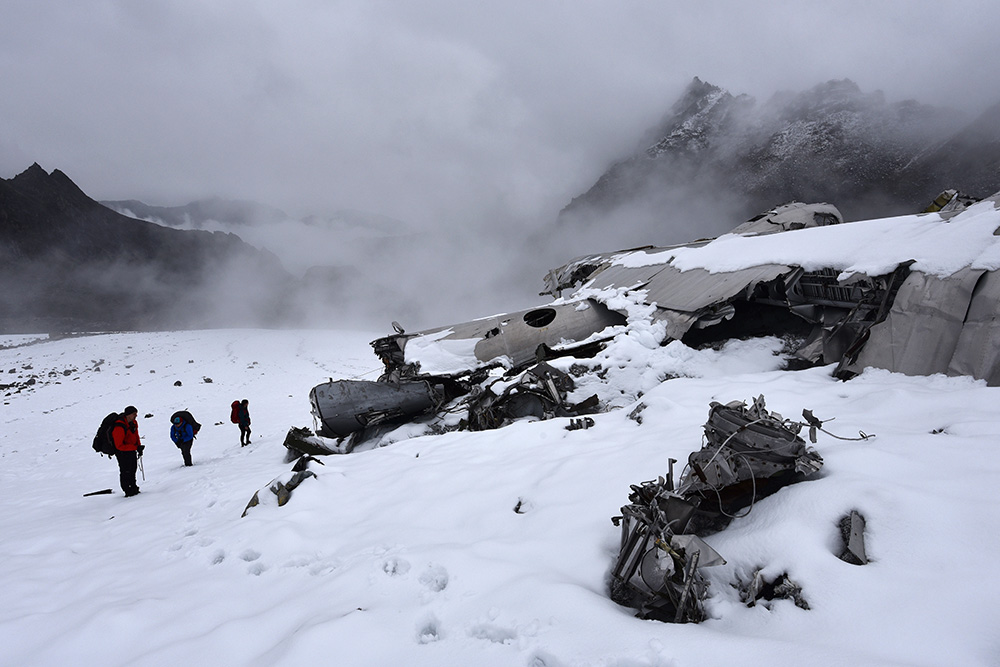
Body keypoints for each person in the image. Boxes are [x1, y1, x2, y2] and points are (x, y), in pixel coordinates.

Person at [112, 406, 143, 497]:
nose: (136, 415)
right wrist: (134, 447)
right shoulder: (119, 426)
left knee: (133, 469)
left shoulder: (133, 423)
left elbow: (136, 435)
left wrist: (138, 446)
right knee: (126, 471)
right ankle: (127, 490)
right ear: (128, 414)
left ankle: (133, 487)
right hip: (122, 452)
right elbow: (119, 445)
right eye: (134, 414)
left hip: (131, 450)